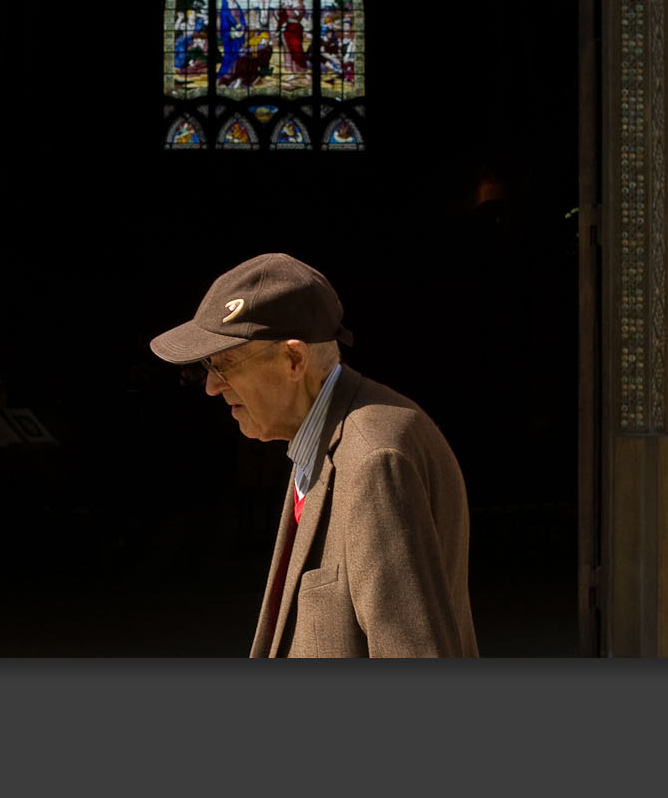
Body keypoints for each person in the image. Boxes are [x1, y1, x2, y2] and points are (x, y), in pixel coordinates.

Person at [150, 253, 478, 657]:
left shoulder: (373, 458)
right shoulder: (327, 436)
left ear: (293, 359)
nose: (212, 387)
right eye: (208, 367)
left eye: (226, 365)